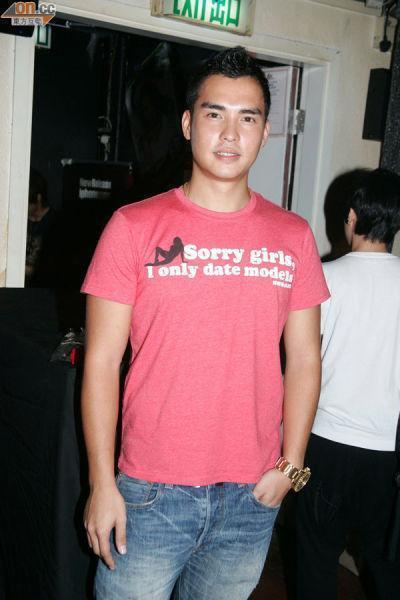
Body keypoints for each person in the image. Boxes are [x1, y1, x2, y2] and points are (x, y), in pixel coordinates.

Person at [81, 46, 329, 600]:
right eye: (215, 114)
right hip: (148, 493)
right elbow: (101, 362)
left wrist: (292, 465)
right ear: (188, 124)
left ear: (266, 132)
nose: (230, 134)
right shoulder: (132, 226)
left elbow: (305, 358)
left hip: (251, 494)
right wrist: (101, 483)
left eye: (248, 118)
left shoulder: (293, 236)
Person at [296, 168, 400, 599]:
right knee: (386, 565)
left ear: (352, 216)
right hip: (389, 455)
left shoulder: (325, 278)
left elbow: (299, 363)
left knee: (314, 559)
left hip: (325, 445)